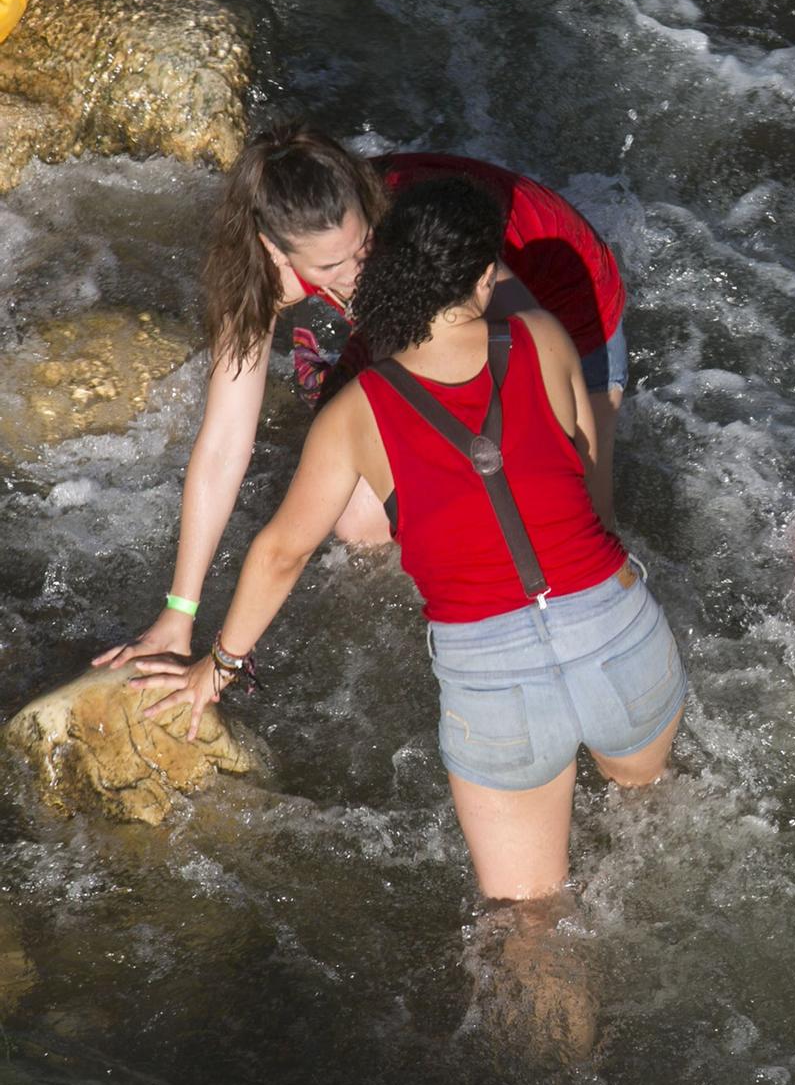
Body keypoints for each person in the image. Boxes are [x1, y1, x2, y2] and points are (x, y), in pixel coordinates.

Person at [132, 178, 684, 902]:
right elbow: (580, 469)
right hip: (622, 639)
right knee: (652, 822)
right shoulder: (542, 336)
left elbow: (281, 552)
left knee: (531, 924)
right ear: (486, 275)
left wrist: (219, 666)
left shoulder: (357, 413)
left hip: (497, 686)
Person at [95, 125, 630, 668]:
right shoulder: (253, 277)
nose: (356, 275)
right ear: (272, 249)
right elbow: (223, 444)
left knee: (585, 519)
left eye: (362, 248)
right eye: (329, 267)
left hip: (564, 293)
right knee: (357, 517)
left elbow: (528, 344)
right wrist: (179, 613)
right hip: (426, 316)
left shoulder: (407, 225)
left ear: (365, 205)